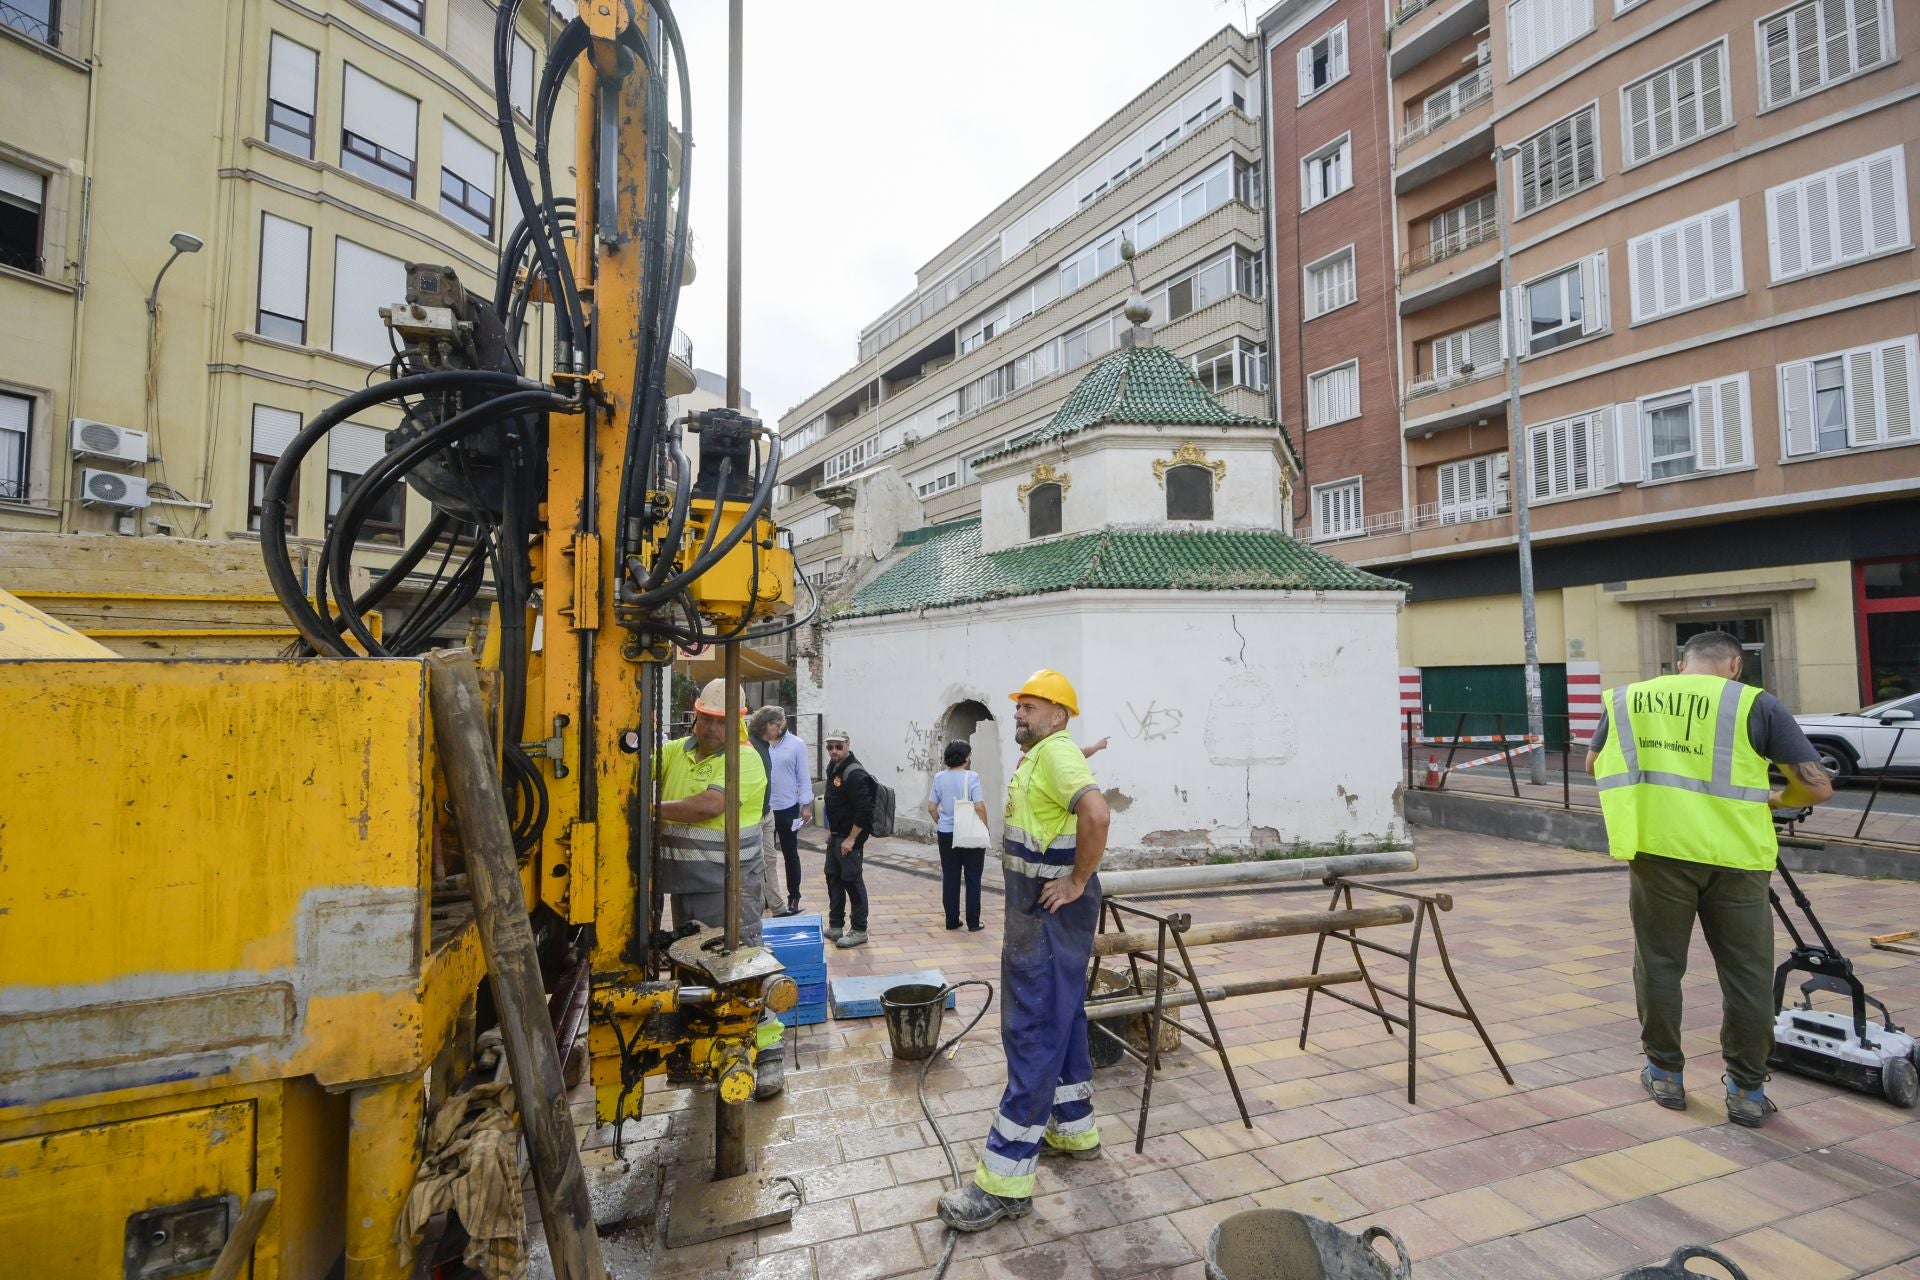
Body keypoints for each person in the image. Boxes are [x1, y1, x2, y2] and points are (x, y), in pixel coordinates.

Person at [1589, 630, 1832, 1128]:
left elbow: (1595, 764)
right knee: (1746, 975)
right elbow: (1815, 786)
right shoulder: (1756, 704)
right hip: (1737, 858)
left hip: (1657, 852)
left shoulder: (1628, 699)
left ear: (1681, 664)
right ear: (1735, 665)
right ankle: (1746, 1089)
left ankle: (1665, 1074)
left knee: (1658, 964)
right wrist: (1773, 800)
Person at [938, 669, 1111, 1233]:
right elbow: (1060, 783)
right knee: (1062, 1013)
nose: (1019, 714)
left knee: (1034, 1026)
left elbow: (1096, 813)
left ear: (1057, 715)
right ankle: (1074, 1126)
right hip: (1042, 912)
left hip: (1048, 910)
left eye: (1031, 707)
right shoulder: (1051, 754)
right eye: (1019, 707)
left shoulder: (1056, 755)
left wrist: (1078, 881)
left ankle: (1004, 1181)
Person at [655, 678, 785, 1097]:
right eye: (706, 719)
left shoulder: (745, 760)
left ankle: (768, 1055)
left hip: (731, 888)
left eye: (722, 722)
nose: (712, 729)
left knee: (744, 966)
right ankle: (711, 1050)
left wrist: (647, 810)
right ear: (695, 714)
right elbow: (631, 763)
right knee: (696, 967)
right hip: (687, 885)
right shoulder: (677, 752)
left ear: (740, 722)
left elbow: (709, 805)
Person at [822, 728, 877, 949]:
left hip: (849, 839)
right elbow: (835, 803)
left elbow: (865, 811)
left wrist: (851, 839)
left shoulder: (854, 773)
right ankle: (836, 925)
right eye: (829, 747)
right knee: (833, 878)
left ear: (847, 744)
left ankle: (859, 930)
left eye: (838, 746)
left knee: (852, 882)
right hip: (837, 835)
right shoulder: (833, 768)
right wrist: (833, 832)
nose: (833, 751)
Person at [928, 740, 990, 932]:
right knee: (973, 876)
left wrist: (942, 822)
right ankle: (973, 922)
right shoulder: (972, 777)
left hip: (946, 832)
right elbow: (979, 806)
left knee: (950, 875)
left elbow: (931, 807)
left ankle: (952, 920)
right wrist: (984, 827)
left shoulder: (939, 777)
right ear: (965, 758)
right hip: (969, 832)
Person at [758, 706, 813, 915]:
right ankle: (765, 896)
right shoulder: (761, 745)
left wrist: (805, 804)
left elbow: (803, 775)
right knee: (763, 855)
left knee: (790, 854)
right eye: (774, 722)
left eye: (781, 721)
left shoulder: (796, 745)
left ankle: (794, 897)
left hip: (788, 806)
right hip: (764, 807)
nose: (778, 726)